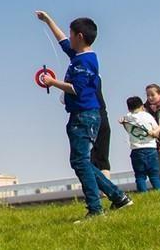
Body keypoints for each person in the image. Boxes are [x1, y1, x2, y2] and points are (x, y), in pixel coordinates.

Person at [35, 11, 132, 220]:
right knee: (81, 161)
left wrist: (52, 82)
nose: (68, 37)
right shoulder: (80, 56)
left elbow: (76, 88)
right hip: (83, 115)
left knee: (80, 161)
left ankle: (96, 209)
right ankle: (119, 198)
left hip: (84, 116)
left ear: (79, 36)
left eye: (71, 34)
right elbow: (62, 42)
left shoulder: (85, 62)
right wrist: (48, 20)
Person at [119, 96, 160, 192]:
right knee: (154, 175)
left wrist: (123, 123)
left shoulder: (127, 118)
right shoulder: (147, 116)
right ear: (142, 106)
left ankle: (143, 193)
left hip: (136, 150)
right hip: (150, 148)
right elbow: (156, 131)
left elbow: (128, 131)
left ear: (129, 108)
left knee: (140, 176)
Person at [90, 79, 112, 178]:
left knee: (88, 158)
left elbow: (64, 99)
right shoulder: (97, 78)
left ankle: (96, 190)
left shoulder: (78, 77)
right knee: (103, 157)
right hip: (103, 117)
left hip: (88, 118)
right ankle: (107, 191)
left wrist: (52, 82)